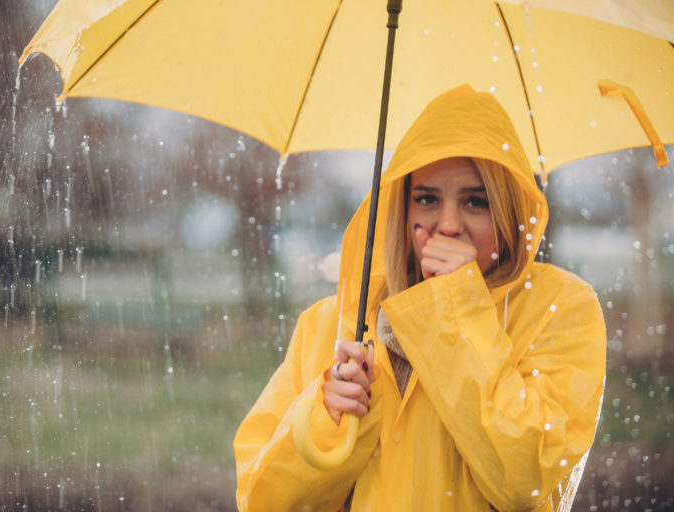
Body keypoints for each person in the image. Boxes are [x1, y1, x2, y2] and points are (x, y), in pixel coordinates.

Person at [234, 85, 606, 511]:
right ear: (401, 208)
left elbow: (525, 479)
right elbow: (261, 500)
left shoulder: (561, 308)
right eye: (427, 199)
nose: (447, 225)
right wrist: (327, 420)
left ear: (508, 210)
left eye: (476, 202)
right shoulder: (332, 323)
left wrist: (457, 307)